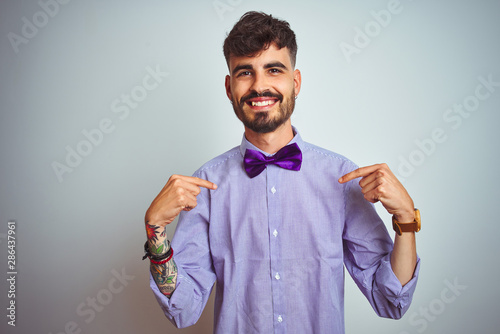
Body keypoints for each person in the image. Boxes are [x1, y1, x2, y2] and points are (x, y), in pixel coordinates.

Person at [143, 11, 420, 334]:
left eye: (273, 70)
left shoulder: (342, 177)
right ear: (230, 87)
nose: (260, 86)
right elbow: (183, 309)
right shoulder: (204, 185)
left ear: (295, 81)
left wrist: (405, 221)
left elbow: (391, 300)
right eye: (246, 72)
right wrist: (156, 231)